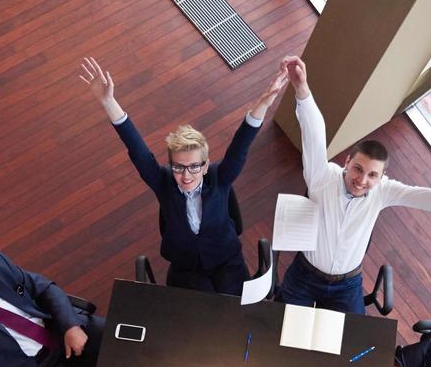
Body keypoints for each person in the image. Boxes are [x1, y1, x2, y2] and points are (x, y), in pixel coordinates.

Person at [277, 56, 431, 314]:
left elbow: (423, 196)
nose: (362, 180)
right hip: (306, 275)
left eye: (372, 175)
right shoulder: (322, 176)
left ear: (382, 177)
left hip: (346, 285)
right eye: (358, 169)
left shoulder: (382, 192)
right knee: (283, 329)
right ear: (347, 162)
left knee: (350, 343)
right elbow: (314, 133)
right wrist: (302, 89)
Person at [81, 56, 289, 296]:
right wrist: (108, 102)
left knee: (233, 316)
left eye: (193, 167)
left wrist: (263, 103)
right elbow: (137, 150)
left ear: (205, 165)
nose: (186, 176)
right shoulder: (163, 182)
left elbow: (241, 145)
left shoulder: (220, 177)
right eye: (178, 167)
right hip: (187, 270)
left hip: (227, 263)